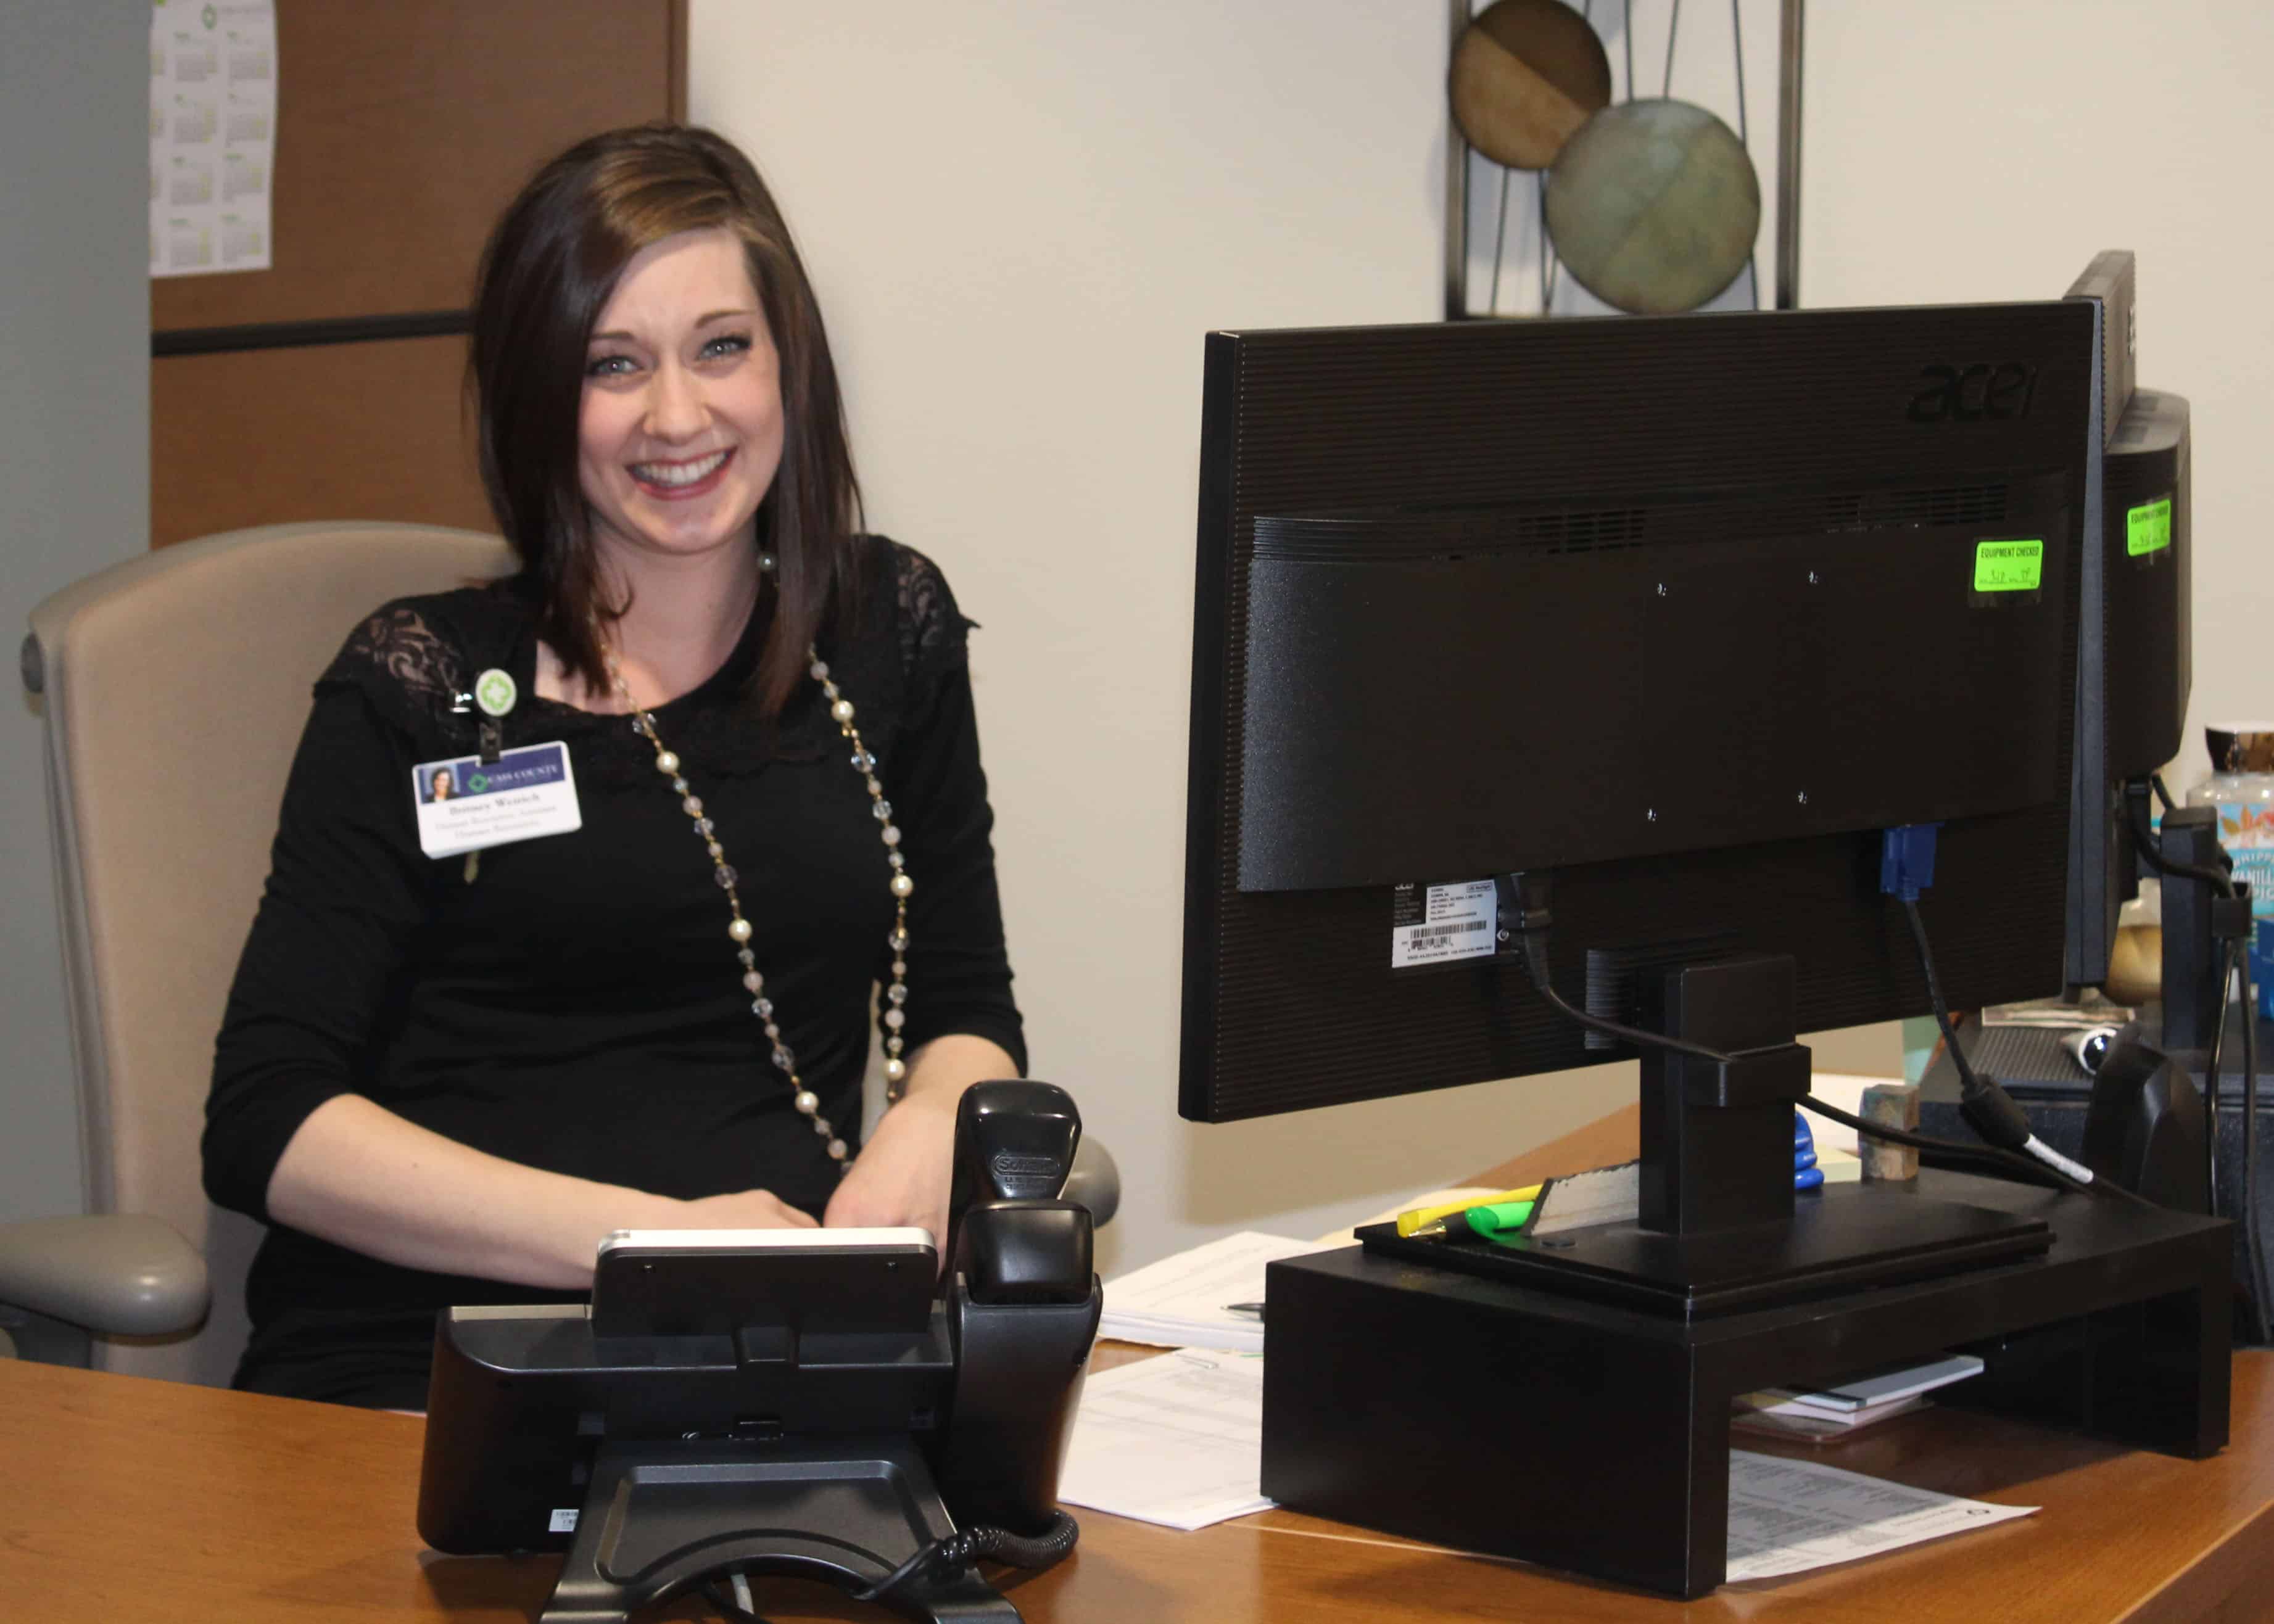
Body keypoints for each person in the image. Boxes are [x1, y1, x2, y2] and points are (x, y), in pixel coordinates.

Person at [204, 125, 1024, 1409]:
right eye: (613, 365)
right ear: (543, 398)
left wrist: (932, 1126)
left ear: (787, 367)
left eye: (721, 348)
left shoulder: (887, 630)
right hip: (436, 1365)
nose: (679, 417)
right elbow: (267, 1123)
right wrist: (650, 1246)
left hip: (767, 1358)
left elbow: (966, 1005)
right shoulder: (422, 684)